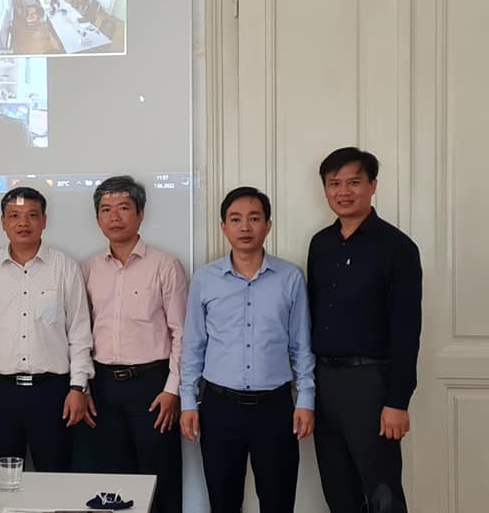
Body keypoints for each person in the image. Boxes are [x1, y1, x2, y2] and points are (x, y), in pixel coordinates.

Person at [180, 187, 315, 513]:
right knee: (223, 502)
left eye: (254, 219)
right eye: (235, 219)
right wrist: (188, 401)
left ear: (268, 225)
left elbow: (301, 345)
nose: (245, 227)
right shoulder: (205, 279)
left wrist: (306, 399)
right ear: (223, 227)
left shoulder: (290, 278)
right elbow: (194, 345)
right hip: (219, 408)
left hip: (275, 408)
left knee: (278, 501)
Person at [308, 147, 421, 513]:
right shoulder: (320, 245)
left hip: (371, 384)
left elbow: (407, 329)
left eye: (354, 182)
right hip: (325, 382)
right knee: (338, 490)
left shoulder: (397, 248)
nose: (343, 191)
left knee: (382, 493)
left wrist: (397, 401)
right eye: (334, 183)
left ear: (372, 185)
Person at [0, 187, 93, 471]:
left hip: (52, 393)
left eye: (32, 215)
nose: (23, 223)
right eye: (14, 216)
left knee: (55, 475)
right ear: (3, 222)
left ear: (44, 220)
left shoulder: (65, 268)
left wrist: (78, 387)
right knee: (2, 479)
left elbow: (79, 332)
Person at [81, 176, 186, 513]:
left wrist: (172, 390)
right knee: (113, 482)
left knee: (160, 477)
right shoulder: (89, 268)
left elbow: (181, 333)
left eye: (124, 208)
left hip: (152, 387)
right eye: (106, 210)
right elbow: (81, 332)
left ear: (140, 214)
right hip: (103, 387)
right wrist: (83, 387)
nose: (115, 217)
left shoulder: (165, 265)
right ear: (97, 218)